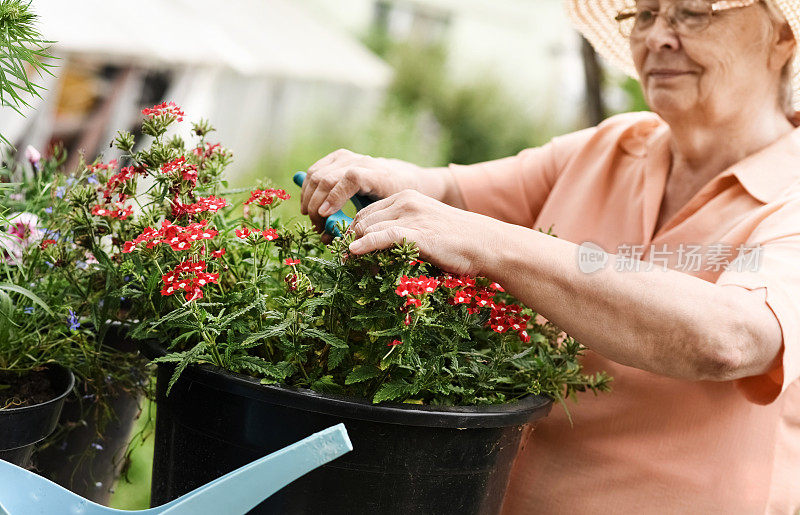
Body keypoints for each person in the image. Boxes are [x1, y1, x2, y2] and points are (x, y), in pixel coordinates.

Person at [299, 0, 800, 512]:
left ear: (782, 35)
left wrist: (490, 243)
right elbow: (447, 192)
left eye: (691, 13)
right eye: (643, 15)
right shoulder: (613, 146)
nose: (658, 37)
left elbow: (733, 338)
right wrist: (381, 179)